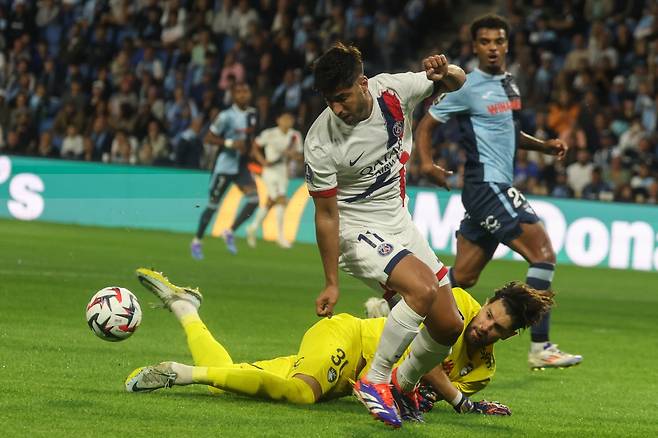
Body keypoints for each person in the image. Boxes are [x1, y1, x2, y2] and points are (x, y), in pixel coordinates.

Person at [127, 269, 552, 420]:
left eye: (496, 328)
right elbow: (429, 366)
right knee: (301, 394)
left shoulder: (483, 373)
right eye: (489, 315)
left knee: (231, 380)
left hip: (352, 379)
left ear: (509, 336)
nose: (483, 327)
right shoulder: (457, 305)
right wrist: (460, 402)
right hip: (348, 339)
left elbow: (417, 387)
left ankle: (186, 309)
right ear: (486, 303)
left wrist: (429, 399)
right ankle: (180, 374)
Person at [303, 43, 466, 427]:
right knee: (422, 290)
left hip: (399, 222)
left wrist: (446, 70)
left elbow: (459, 82)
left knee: (449, 324)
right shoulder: (320, 141)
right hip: (356, 230)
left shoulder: (393, 91)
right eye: (330, 101)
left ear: (363, 83)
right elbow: (326, 215)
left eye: (342, 98)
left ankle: (403, 382)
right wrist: (331, 282)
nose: (337, 109)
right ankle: (374, 380)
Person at [415, 14, 582, 370]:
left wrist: (544, 147)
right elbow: (426, 125)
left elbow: (509, 133)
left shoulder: (509, 84)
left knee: (463, 277)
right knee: (543, 254)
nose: (493, 48)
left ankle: (394, 306)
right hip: (486, 186)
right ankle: (541, 346)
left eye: (499, 41)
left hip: (492, 188)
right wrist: (426, 165)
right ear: (475, 46)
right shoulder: (466, 87)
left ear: (507, 45)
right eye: (485, 42)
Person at [191, 82, 259, 259]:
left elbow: (250, 138)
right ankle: (197, 241)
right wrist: (230, 143)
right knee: (213, 205)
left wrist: (254, 153)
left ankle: (229, 231)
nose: (243, 95)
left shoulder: (252, 114)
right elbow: (208, 137)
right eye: (239, 92)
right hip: (225, 167)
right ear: (234, 96)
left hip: (241, 167)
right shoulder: (226, 116)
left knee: (254, 200)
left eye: (246, 91)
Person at [246, 109, 304, 249]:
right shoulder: (269, 133)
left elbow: (299, 156)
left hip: (283, 171)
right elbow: (255, 146)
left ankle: (253, 228)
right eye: (285, 118)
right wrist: (262, 161)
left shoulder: (295, 136)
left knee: (274, 201)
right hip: (270, 171)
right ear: (278, 120)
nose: (287, 121)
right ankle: (280, 236)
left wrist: (292, 155)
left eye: (290, 119)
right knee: (279, 198)